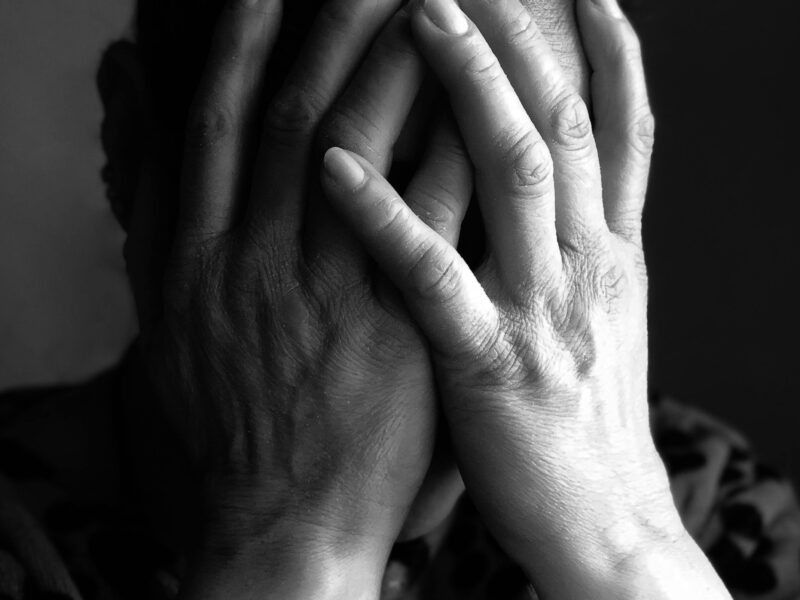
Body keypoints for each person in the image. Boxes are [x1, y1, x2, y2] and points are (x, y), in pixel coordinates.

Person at [0, 0, 798, 598]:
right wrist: (290, 533)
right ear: (138, 149)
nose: (444, 296)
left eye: (513, 213)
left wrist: (626, 544)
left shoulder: (722, 519)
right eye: (346, 219)